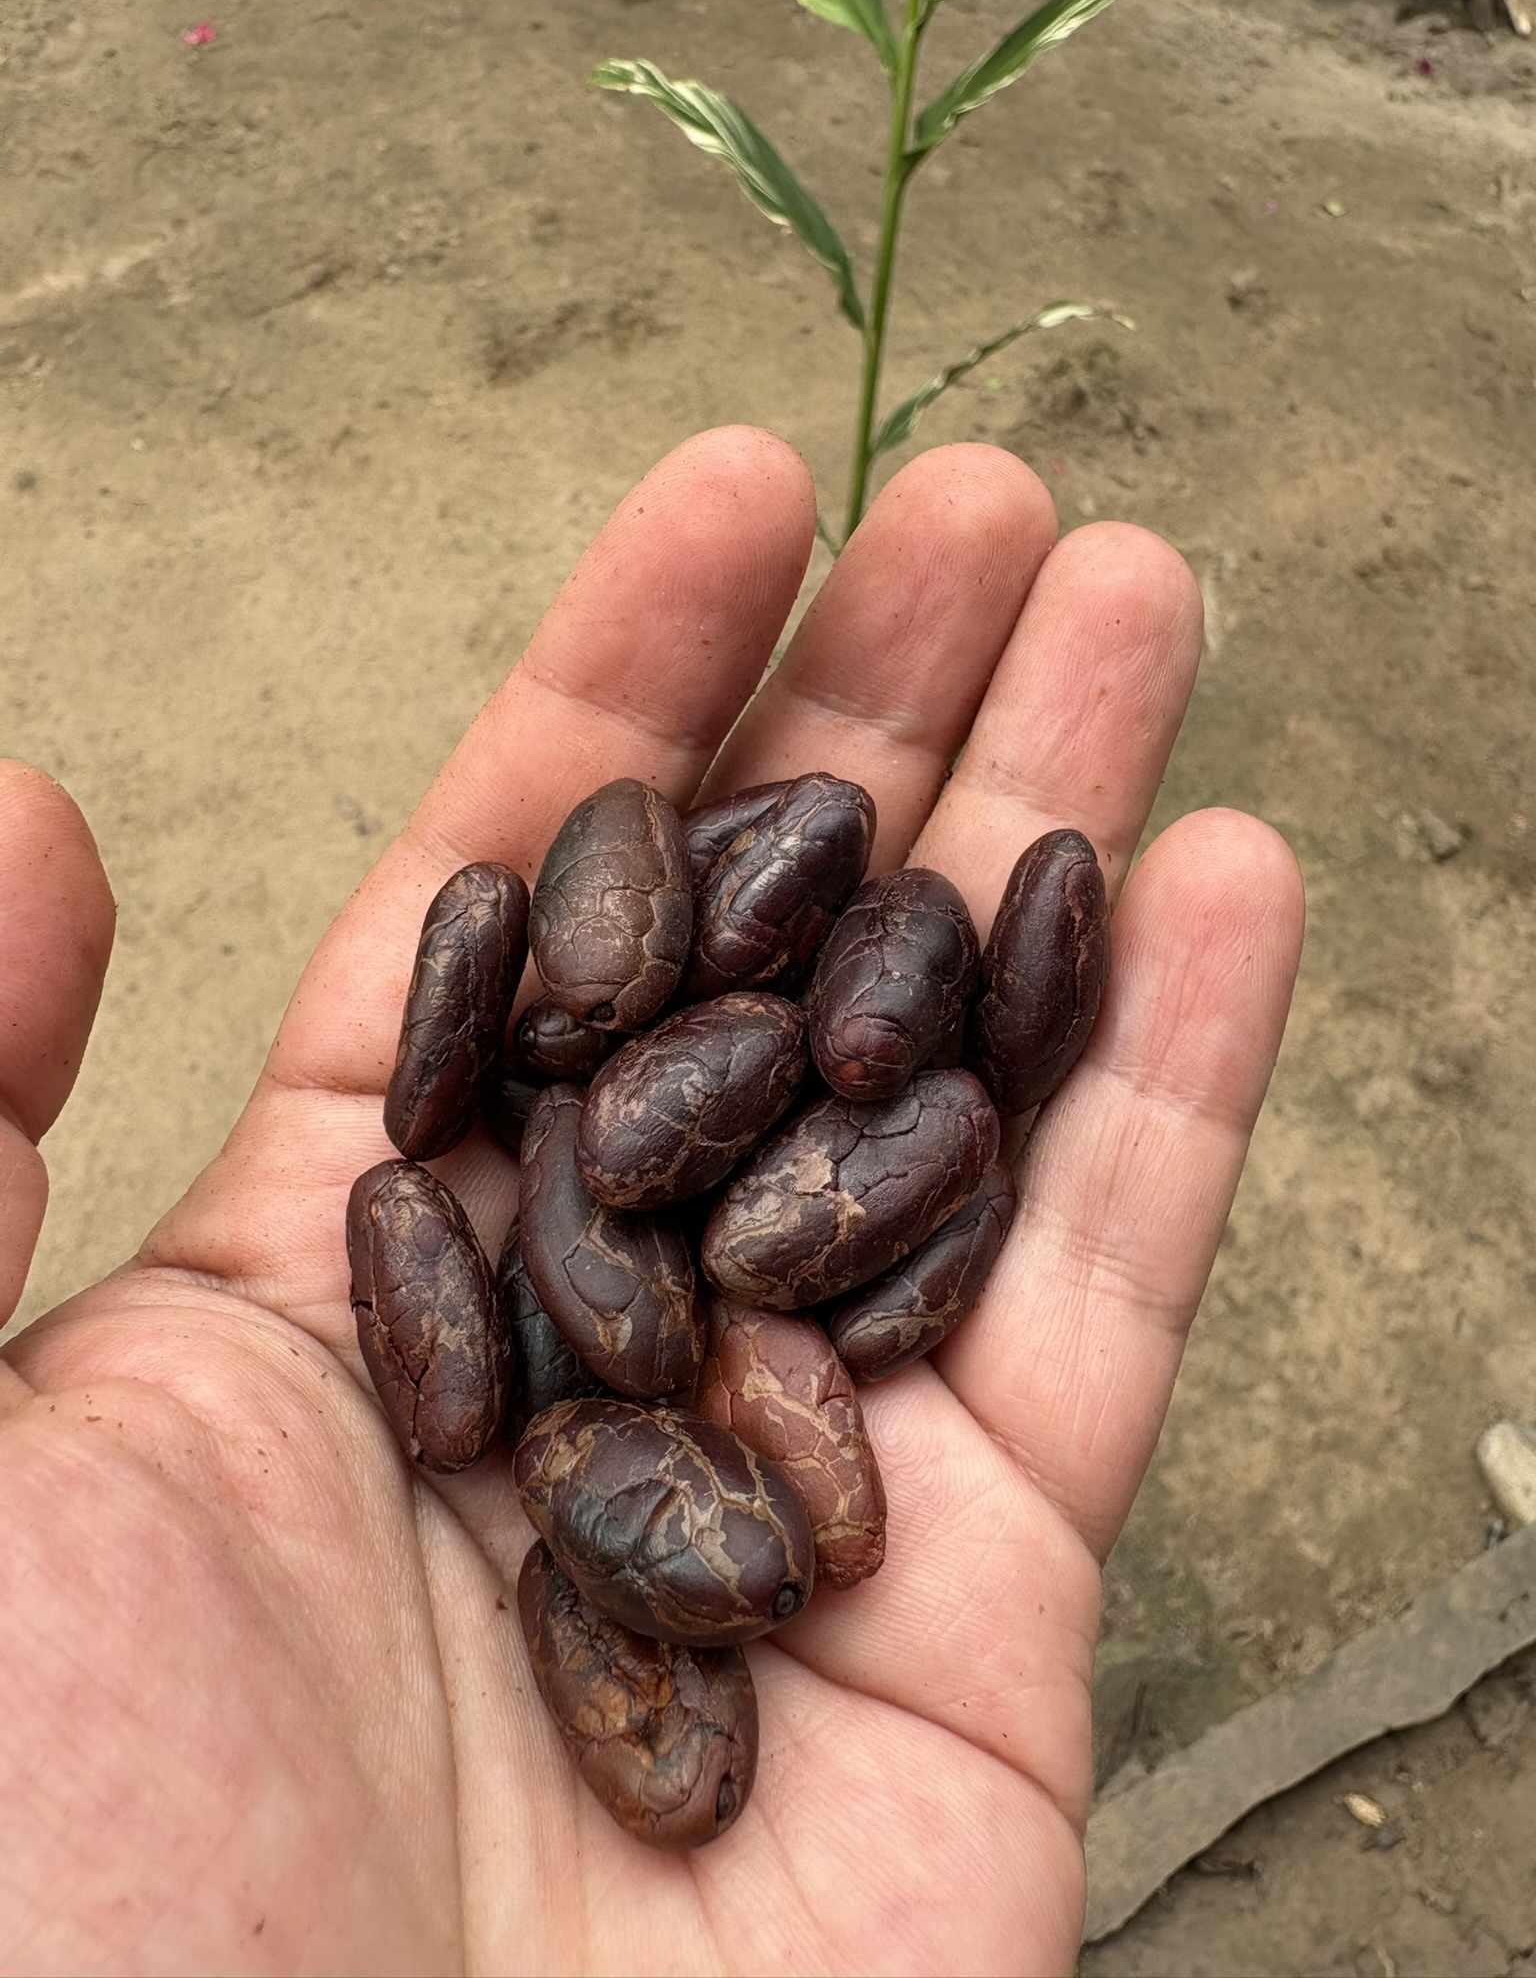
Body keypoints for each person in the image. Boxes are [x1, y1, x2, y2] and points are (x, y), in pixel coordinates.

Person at [0, 429, 1303, 1977]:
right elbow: (628, 1187)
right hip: (642, 1271)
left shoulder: (719, 1149)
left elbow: (709, 1171)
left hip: (690, 1232)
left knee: (738, 1133)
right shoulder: (598, 1196)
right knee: (662, 1148)